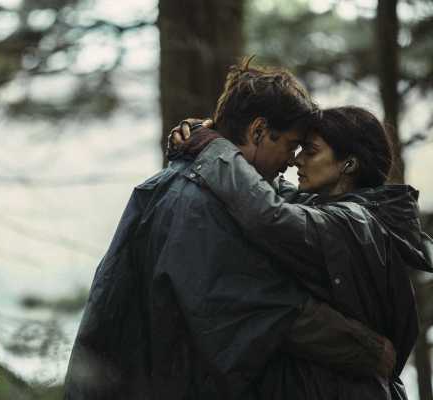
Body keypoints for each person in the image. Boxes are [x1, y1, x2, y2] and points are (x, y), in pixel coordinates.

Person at [64, 59, 396, 400]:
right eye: (291, 145)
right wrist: (368, 351)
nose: (291, 160)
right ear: (258, 132)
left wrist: (204, 139)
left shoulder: (188, 185)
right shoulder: (201, 203)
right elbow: (264, 306)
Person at [170, 105, 433, 399]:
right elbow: (267, 190)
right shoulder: (334, 209)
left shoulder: (353, 222)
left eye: (310, 151)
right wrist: (206, 135)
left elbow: (268, 214)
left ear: (348, 164)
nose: (296, 160)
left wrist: (213, 147)